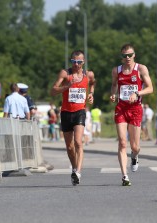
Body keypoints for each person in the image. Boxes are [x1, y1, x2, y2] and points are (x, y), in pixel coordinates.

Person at [110, 43, 153, 186]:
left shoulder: (141, 69)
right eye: (125, 55)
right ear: (121, 57)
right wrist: (113, 94)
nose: (127, 58)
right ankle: (124, 175)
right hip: (121, 108)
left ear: (134, 55)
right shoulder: (116, 71)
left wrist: (137, 93)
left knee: (135, 146)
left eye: (130, 55)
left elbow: (150, 88)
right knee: (122, 142)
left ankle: (135, 156)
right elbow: (114, 85)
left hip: (135, 109)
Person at [50, 50, 95, 186]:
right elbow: (52, 91)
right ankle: (75, 168)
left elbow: (92, 83)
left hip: (80, 111)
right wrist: (67, 86)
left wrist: (91, 94)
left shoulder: (88, 74)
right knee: (69, 147)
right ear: (71, 62)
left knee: (78, 142)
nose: (77, 65)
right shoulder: (65, 74)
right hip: (66, 113)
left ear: (83, 62)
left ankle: (78, 172)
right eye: (74, 62)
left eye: (79, 62)